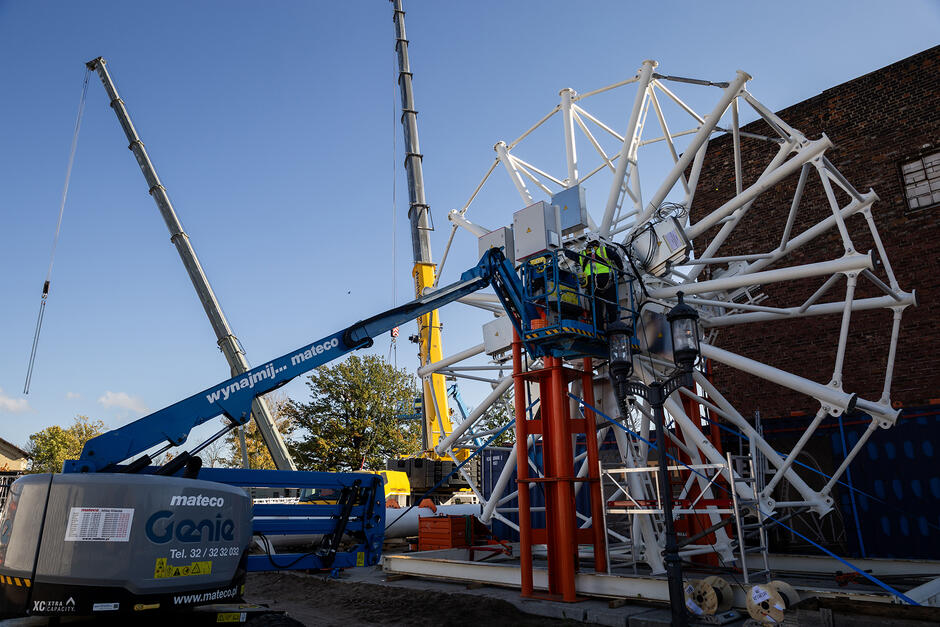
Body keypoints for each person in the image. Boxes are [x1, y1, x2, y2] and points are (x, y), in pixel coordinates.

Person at [580, 239, 623, 326]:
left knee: (595, 305)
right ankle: (614, 325)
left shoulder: (582, 254)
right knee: (611, 303)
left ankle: (598, 327)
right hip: (606, 279)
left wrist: (565, 250)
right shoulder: (603, 250)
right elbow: (616, 257)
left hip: (591, 281)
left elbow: (571, 255)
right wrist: (621, 269)